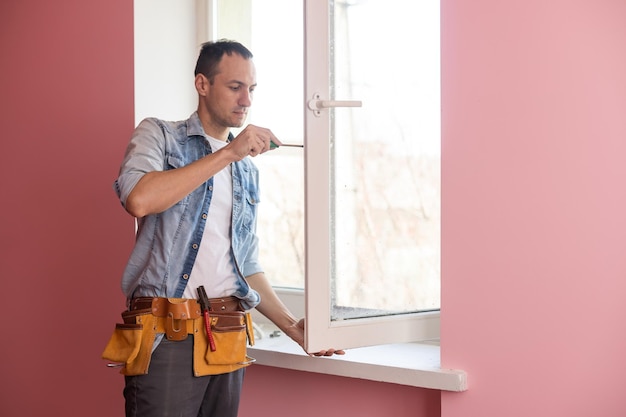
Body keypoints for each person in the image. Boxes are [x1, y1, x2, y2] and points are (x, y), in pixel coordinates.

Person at [111, 39, 344, 417]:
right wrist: (228, 153)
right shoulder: (159, 135)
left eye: (251, 89)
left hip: (228, 332)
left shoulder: (246, 171)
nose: (246, 101)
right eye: (235, 87)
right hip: (165, 334)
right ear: (202, 84)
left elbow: (246, 265)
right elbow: (138, 199)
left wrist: (292, 327)